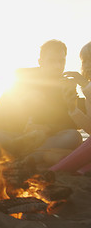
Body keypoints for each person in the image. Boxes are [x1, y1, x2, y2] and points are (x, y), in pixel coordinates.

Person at [0, 40, 82, 165]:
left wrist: (48, 128)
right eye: (52, 61)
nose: (58, 66)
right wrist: (22, 104)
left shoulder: (67, 84)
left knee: (74, 136)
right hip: (15, 135)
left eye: (61, 61)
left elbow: (72, 122)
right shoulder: (21, 77)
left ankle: (15, 153)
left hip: (44, 139)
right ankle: (29, 154)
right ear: (40, 62)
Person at [49, 41, 91, 174]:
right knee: (81, 171)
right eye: (85, 61)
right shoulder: (88, 91)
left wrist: (85, 85)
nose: (88, 65)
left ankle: (53, 171)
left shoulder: (88, 89)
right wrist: (73, 109)